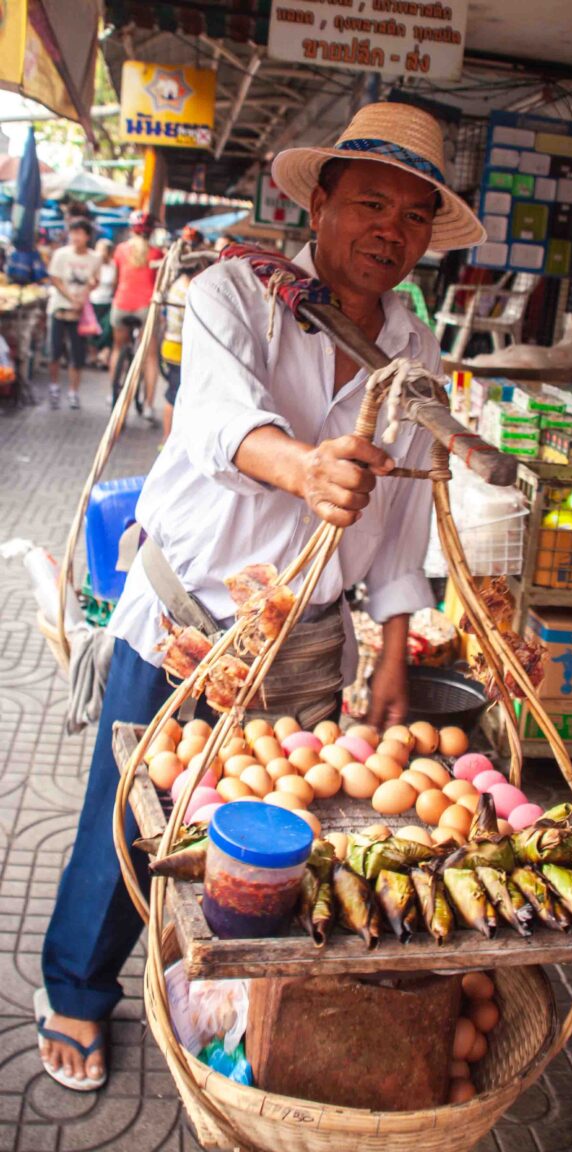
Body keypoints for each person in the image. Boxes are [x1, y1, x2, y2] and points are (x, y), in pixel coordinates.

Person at [36, 101, 485, 1091]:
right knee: (131, 818)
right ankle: (72, 989)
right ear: (319, 204)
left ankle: (224, 998)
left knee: (264, 837)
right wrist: (303, 467)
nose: (390, 231)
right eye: (370, 202)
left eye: (414, 218)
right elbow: (216, 422)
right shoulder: (235, 292)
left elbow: (406, 531)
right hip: (187, 626)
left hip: (309, 644)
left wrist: (394, 655)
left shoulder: (415, 352)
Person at [110, 210, 163, 422]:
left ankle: (112, 391)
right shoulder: (157, 253)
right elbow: (160, 285)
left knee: (117, 348)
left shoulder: (120, 250)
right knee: (150, 356)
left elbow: (116, 279)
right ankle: (149, 405)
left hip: (121, 304)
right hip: (146, 307)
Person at [46, 217, 101, 410]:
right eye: (73, 232)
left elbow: (96, 280)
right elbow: (55, 278)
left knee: (77, 355)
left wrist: (85, 294)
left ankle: (73, 392)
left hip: (80, 313)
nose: (75, 237)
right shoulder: (61, 254)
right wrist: (71, 297)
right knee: (55, 351)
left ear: (87, 236)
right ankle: (54, 387)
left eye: (79, 233)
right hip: (59, 309)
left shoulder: (95, 258)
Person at [159, 227, 208, 441]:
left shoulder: (175, 284)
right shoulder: (192, 291)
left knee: (175, 394)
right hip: (180, 350)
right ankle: (167, 440)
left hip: (171, 346)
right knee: (175, 396)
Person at [89, 238, 117, 369]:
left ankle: (104, 355)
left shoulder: (114, 265)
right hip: (93, 301)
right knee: (92, 330)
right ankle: (94, 356)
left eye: (102, 250)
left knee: (106, 331)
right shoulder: (93, 264)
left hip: (108, 302)